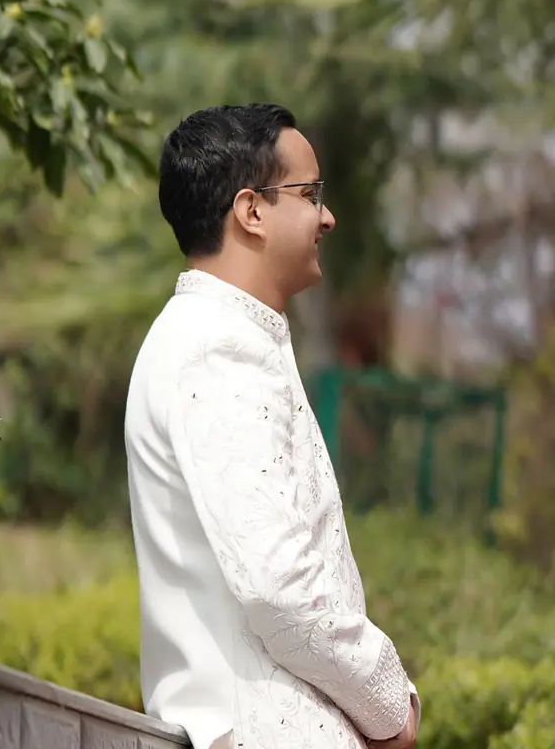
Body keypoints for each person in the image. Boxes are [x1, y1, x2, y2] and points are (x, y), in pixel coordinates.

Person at [123, 104, 420, 749]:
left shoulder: (217, 336)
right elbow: (278, 586)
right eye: (310, 194)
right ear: (251, 211)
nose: (327, 215)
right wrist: (390, 701)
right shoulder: (216, 348)